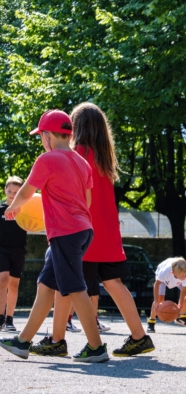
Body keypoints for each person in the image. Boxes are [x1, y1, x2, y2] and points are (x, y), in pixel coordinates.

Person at [29, 103, 154, 358]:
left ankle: (57, 339)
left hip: (79, 230)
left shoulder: (74, 155)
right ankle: (139, 336)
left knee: (68, 284)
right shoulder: (104, 159)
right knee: (114, 283)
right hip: (107, 233)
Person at [0, 109, 108, 362]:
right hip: (83, 229)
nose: (41, 141)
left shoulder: (46, 159)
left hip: (66, 232)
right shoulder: (82, 163)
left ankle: (96, 347)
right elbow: (88, 200)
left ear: (48, 136)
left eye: (41, 136)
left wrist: (13, 209)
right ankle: (23, 342)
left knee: (75, 287)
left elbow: (26, 192)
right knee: (46, 284)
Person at [0, 176, 27, 332]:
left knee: (14, 285)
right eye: (10, 191)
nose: (12, 194)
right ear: (5, 190)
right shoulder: (0, 210)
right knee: (3, 279)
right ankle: (0, 318)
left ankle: (9, 319)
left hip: (18, 250)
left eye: (16, 192)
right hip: (1, 249)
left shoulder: (26, 210)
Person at [147, 257, 186, 333]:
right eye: (182, 275)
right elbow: (156, 285)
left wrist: (180, 303)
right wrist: (156, 301)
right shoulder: (164, 272)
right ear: (173, 273)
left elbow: (183, 290)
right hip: (163, 280)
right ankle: (151, 322)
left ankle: (181, 317)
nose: (184, 277)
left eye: (185, 274)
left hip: (177, 279)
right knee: (160, 300)